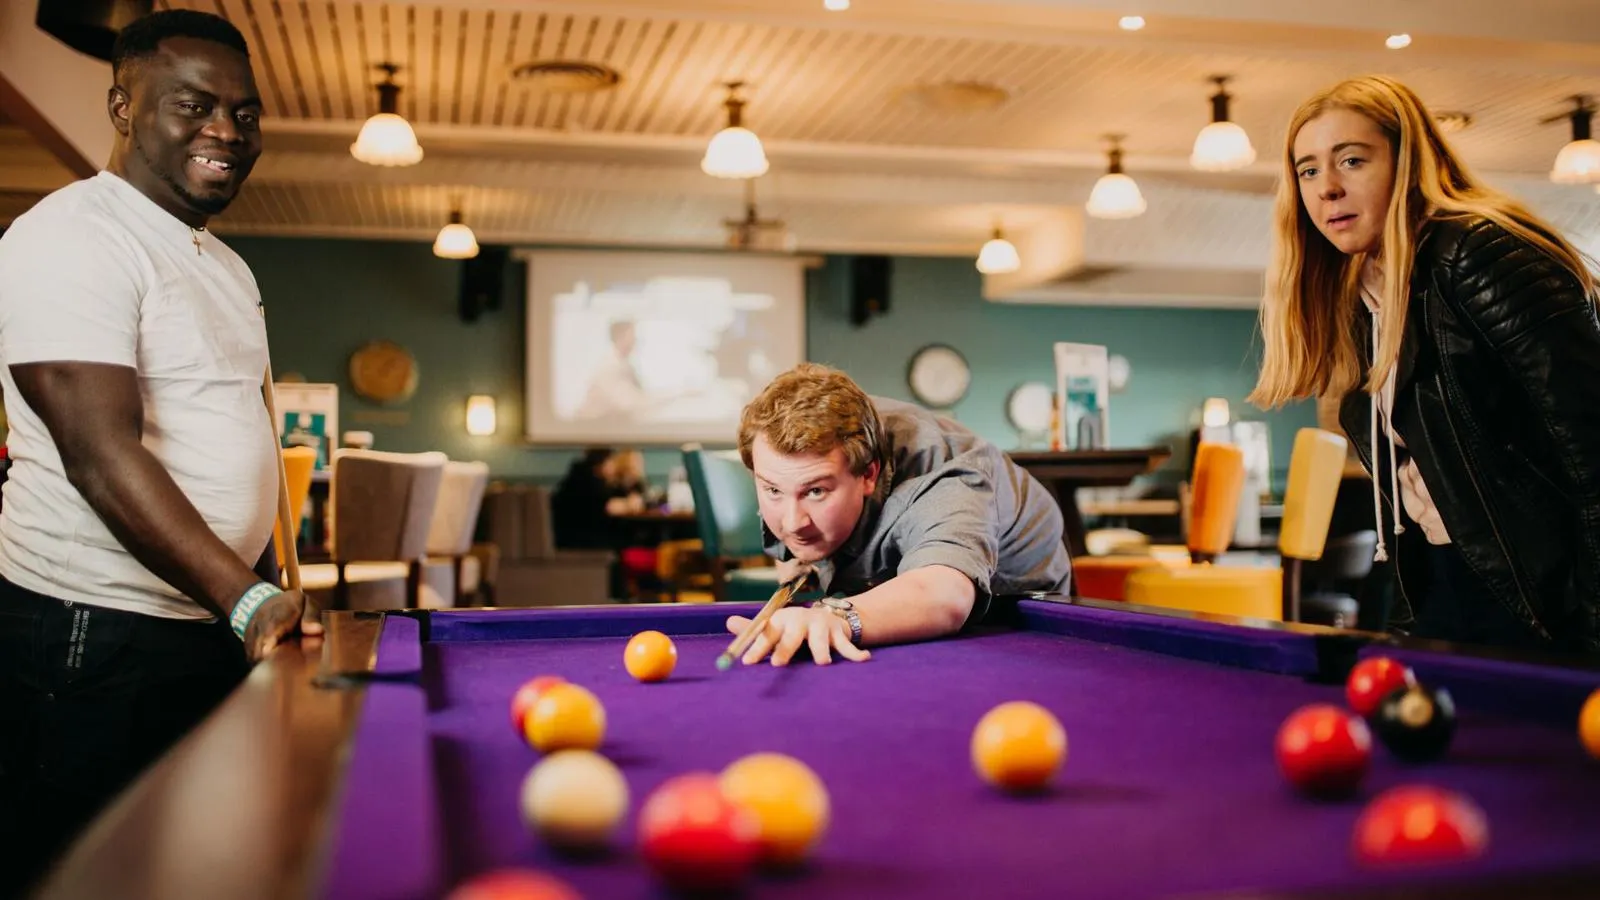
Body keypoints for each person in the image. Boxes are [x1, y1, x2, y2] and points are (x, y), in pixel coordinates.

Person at [0, 10, 317, 894]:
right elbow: (99, 453)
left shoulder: (225, 265)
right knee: (80, 873)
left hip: (203, 623)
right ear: (123, 105)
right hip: (90, 636)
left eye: (245, 113)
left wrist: (274, 583)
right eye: (193, 104)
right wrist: (246, 597)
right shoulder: (68, 237)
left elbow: (247, 435)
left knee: (193, 865)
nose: (226, 130)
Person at [1250, 74, 1600, 654]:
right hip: (1448, 587)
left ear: (1407, 163)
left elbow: (1593, 455)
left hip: (1544, 606)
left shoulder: (1480, 254)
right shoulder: (1368, 295)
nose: (1327, 188)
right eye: (1308, 170)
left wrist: (1591, 636)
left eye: (1352, 160)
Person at [728, 363, 1070, 666]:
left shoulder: (946, 476)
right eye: (773, 490)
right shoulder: (797, 450)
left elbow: (943, 595)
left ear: (868, 475)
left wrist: (834, 615)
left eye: (815, 491)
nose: (791, 521)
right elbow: (790, 518)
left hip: (1017, 620)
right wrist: (802, 559)